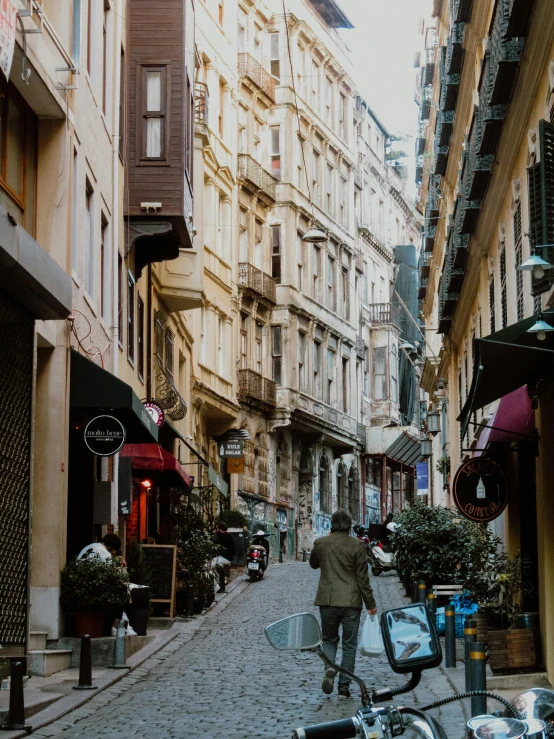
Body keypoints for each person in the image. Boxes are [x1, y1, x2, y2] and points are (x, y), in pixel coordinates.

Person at [310, 509, 377, 698]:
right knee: (349, 645)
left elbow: (313, 564)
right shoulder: (357, 546)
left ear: (332, 524)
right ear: (349, 526)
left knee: (330, 639)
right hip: (351, 602)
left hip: (328, 600)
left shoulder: (321, 543)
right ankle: (344, 688)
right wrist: (370, 604)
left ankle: (330, 668)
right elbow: (363, 579)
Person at [215, 522, 236, 593]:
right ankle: (221, 585)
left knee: (209, 565)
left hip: (225, 558)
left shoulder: (222, 537)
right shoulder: (229, 536)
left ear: (220, 529)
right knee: (217, 567)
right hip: (228, 558)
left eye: (216, 528)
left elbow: (215, 546)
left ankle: (216, 586)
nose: (216, 530)